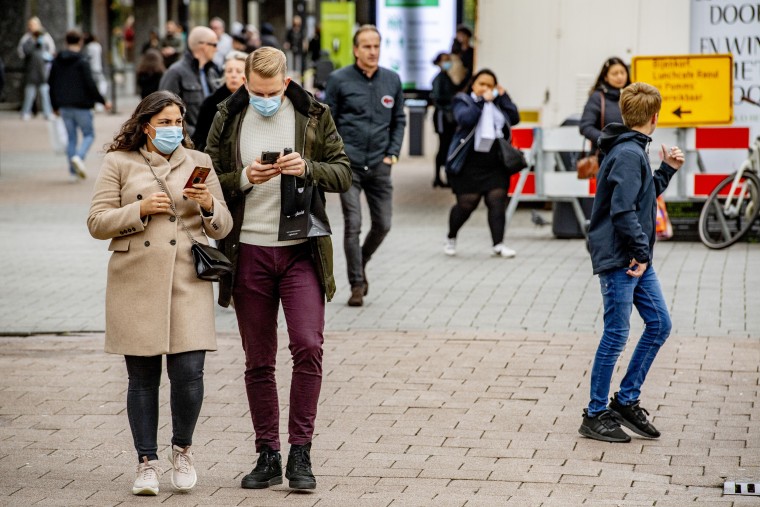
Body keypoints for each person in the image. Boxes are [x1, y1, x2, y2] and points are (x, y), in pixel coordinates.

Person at [205, 47, 351, 491]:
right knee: (259, 359)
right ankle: (267, 453)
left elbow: (343, 172)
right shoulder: (227, 116)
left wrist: (307, 167)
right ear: (244, 82)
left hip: (300, 250)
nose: (263, 98)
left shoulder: (313, 114)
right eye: (255, 91)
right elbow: (206, 176)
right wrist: (247, 177)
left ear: (286, 83)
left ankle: (300, 453)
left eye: (271, 91)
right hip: (248, 249)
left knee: (308, 345)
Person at [86, 90, 233, 495]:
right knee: (143, 377)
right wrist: (138, 211)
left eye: (178, 122)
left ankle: (182, 449)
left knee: (189, 375)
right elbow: (97, 222)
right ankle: (146, 461)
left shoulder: (199, 162)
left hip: (186, 278)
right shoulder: (119, 162)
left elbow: (223, 227)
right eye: (165, 122)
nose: (173, 129)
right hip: (136, 279)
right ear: (146, 123)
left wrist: (207, 207)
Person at [578, 82, 684, 443]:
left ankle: (625, 400)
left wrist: (666, 169)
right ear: (655, 116)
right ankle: (594, 414)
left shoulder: (633, 149)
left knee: (659, 325)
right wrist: (640, 253)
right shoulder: (627, 153)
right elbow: (622, 212)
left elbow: (639, 198)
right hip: (622, 259)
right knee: (617, 334)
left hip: (635, 258)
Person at [324, 25, 406, 307]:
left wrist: (392, 153)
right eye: (367, 46)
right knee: (353, 224)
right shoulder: (338, 80)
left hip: (380, 164)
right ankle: (357, 284)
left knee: (384, 224)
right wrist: (337, 155)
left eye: (376, 46)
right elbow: (327, 122)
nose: (373, 51)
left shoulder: (392, 80)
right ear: (356, 49)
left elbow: (399, 120)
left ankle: (362, 259)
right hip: (349, 165)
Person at [443, 69, 520, 258]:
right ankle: (451, 237)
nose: (485, 88)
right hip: (469, 162)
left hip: (495, 161)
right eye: (481, 84)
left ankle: (498, 244)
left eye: (490, 85)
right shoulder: (463, 100)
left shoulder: (498, 103)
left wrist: (504, 97)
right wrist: (481, 101)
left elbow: (515, 118)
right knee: (467, 203)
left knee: (497, 200)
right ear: (473, 85)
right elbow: (465, 118)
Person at [48, 30, 111, 181]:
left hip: (64, 105)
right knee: (89, 134)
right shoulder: (82, 61)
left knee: (71, 138)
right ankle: (79, 157)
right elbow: (90, 84)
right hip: (82, 105)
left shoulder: (57, 61)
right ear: (80, 42)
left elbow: (51, 83)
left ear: (66, 41)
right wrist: (103, 101)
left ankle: (72, 172)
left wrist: (54, 105)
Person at [159, 26, 220, 137]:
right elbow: (164, 113)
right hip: (189, 144)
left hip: (210, 143)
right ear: (203, 45)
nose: (217, 49)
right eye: (215, 44)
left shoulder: (211, 72)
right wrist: (194, 134)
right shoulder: (175, 73)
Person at [192, 50, 248, 151]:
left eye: (239, 71)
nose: (233, 75)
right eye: (229, 71)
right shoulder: (210, 103)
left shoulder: (254, 101)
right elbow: (199, 138)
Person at [579, 57, 631, 164]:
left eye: (622, 72)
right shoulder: (597, 97)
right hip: (604, 159)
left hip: (628, 156)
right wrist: (608, 139)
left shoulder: (631, 96)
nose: (620, 76)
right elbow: (585, 127)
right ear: (606, 77)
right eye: (614, 73)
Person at [17, 16, 55, 120]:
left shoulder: (45, 37)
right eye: (31, 25)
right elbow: (21, 52)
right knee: (29, 93)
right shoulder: (27, 39)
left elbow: (51, 50)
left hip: (42, 70)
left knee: (44, 93)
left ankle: (47, 112)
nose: (32, 27)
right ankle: (26, 112)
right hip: (31, 70)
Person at [430, 52, 458, 188]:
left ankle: (443, 177)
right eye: (445, 60)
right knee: (443, 146)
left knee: (446, 146)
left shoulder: (447, 77)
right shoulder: (439, 79)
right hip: (443, 117)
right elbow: (437, 98)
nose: (448, 62)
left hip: (447, 116)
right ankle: (439, 177)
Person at [83, 33, 108, 107]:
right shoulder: (97, 46)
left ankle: (96, 101)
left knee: (94, 85)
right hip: (98, 68)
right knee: (102, 84)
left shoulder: (88, 47)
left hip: (90, 69)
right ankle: (99, 101)